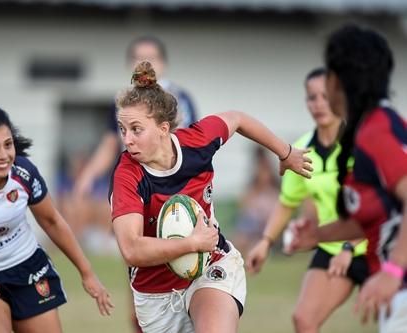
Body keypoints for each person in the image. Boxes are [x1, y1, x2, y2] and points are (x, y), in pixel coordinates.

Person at [109, 61, 313, 333]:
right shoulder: (127, 176)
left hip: (211, 269)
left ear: (163, 128)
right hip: (157, 297)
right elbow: (132, 249)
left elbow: (238, 119)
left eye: (136, 129)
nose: (127, 140)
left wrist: (285, 153)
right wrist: (191, 243)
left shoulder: (197, 142)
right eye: (123, 130)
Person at [0, 105, 113, 333]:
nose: (4, 156)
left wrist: (87, 274)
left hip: (27, 268)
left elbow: (52, 221)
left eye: (8, 145)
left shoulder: (23, 172)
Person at [288, 24, 407, 332]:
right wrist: (317, 235)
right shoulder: (374, 127)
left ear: (339, 81)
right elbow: (374, 217)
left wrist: (394, 270)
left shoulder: (377, 131)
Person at [246, 67, 369, 332]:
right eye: (312, 97)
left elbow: (377, 206)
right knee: (303, 320)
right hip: (333, 248)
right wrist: (265, 243)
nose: (319, 104)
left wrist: (350, 247)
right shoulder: (301, 150)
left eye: (326, 96)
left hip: (375, 245)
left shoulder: (362, 144)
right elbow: (288, 201)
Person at [73, 35, 198, 200]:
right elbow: (110, 145)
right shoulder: (121, 101)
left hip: (172, 183)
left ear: (163, 63)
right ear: (129, 64)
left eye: (151, 58)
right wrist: (88, 176)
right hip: (133, 180)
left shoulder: (179, 99)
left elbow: (192, 144)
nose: (145, 64)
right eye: (139, 58)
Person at [233, 146, 280, 254]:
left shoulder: (274, 190)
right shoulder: (253, 188)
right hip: (254, 225)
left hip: (267, 225)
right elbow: (244, 206)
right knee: (241, 239)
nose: (263, 175)